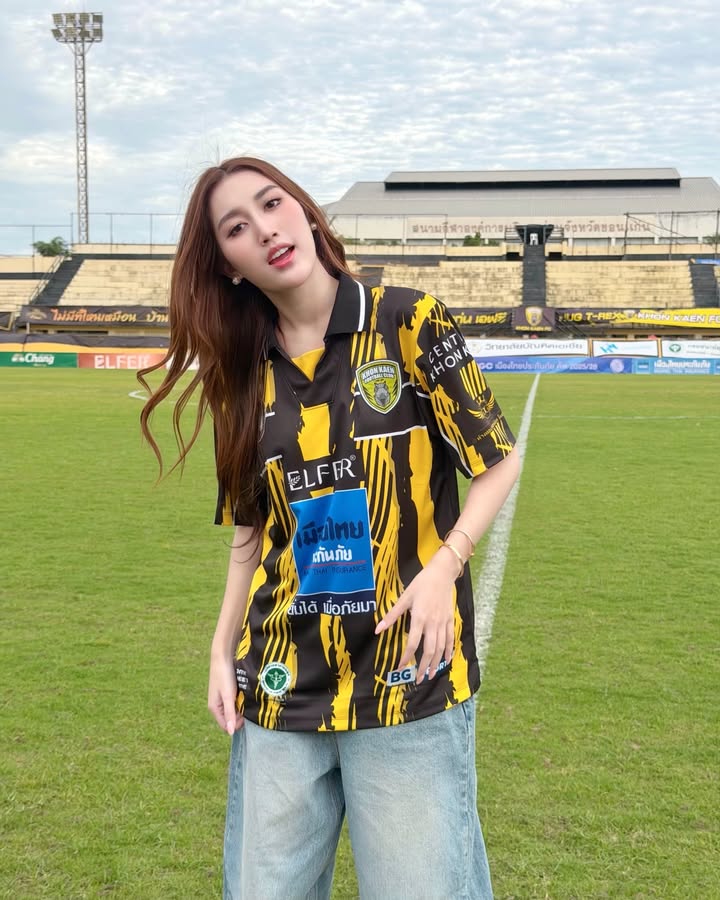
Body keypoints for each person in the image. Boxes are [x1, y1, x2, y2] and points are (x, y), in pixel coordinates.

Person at [139, 156, 520, 900]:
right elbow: (250, 532)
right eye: (236, 228)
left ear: (306, 212)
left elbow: (497, 460)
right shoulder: (241, 377)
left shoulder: (409, 320)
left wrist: (445, 566)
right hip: (279, 683)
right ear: (231, 266)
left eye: (271, 203)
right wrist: (220, 648)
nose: (265, 229)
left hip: (407, 679)